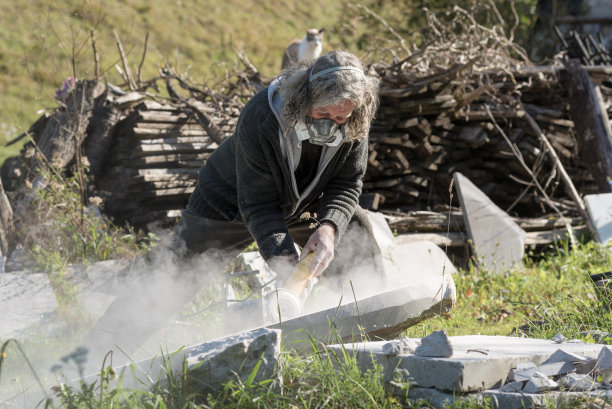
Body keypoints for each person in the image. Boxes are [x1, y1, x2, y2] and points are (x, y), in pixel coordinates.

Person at [70, 50, 384, 377]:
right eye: (323, 113)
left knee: (354, 235)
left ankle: (373, 339)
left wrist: (329, 227)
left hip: (302, 201)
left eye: (340, 118)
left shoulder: (355, 118)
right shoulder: (263, 116)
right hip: (229, 201)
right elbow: (259, 206)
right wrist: (288, 267)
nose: (332, 123)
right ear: (304, 99)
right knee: (169, 278)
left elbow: (348, 181)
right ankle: (87, 365)